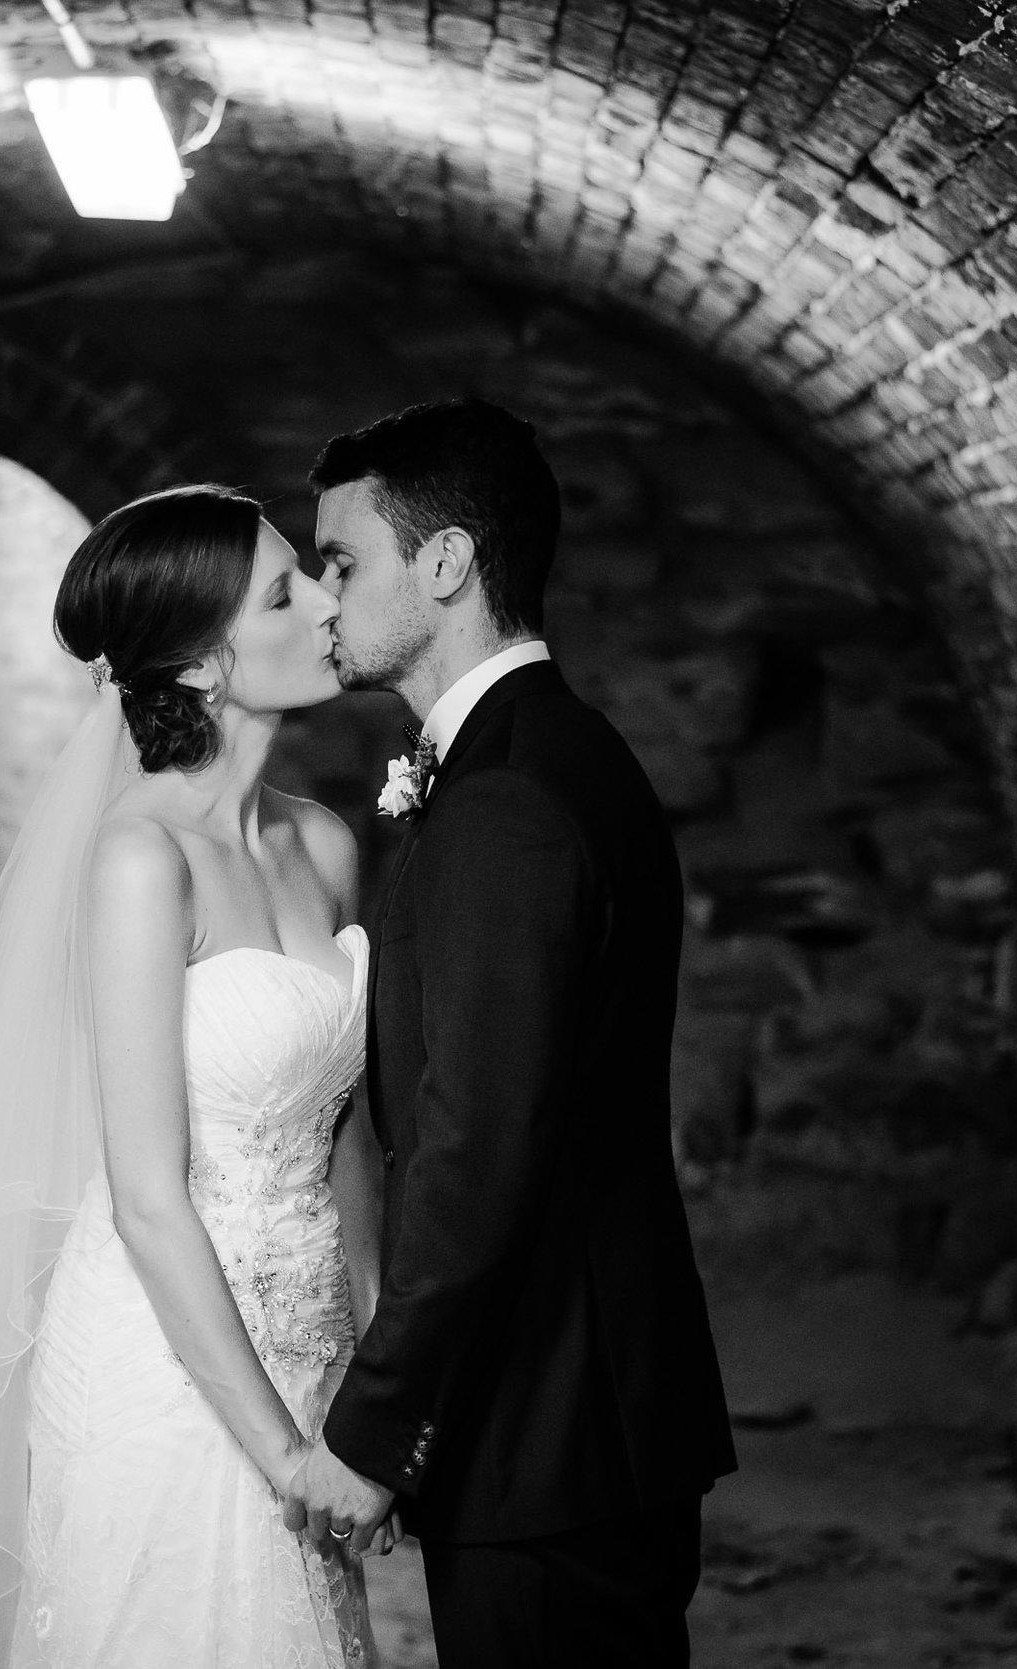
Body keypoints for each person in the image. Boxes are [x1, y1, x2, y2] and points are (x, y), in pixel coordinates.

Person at [0, 484, 384, 1668]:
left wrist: (378, 1379)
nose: (327, 602)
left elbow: (349, 1141)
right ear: (208, 667)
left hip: (314, 1345)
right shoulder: (136, 858)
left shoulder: (321, 842)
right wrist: (280, 1453)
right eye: (287, 589)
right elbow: (146, 1195)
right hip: (162, 1362)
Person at [282, 397, 739, 1668]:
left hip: (553, 1429)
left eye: (341, 562)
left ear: (444, 564)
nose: (324, 599)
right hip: (583, 1414)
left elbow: (478, 1150)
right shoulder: (543, 755)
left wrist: (374, 1429)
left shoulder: (508, 802)